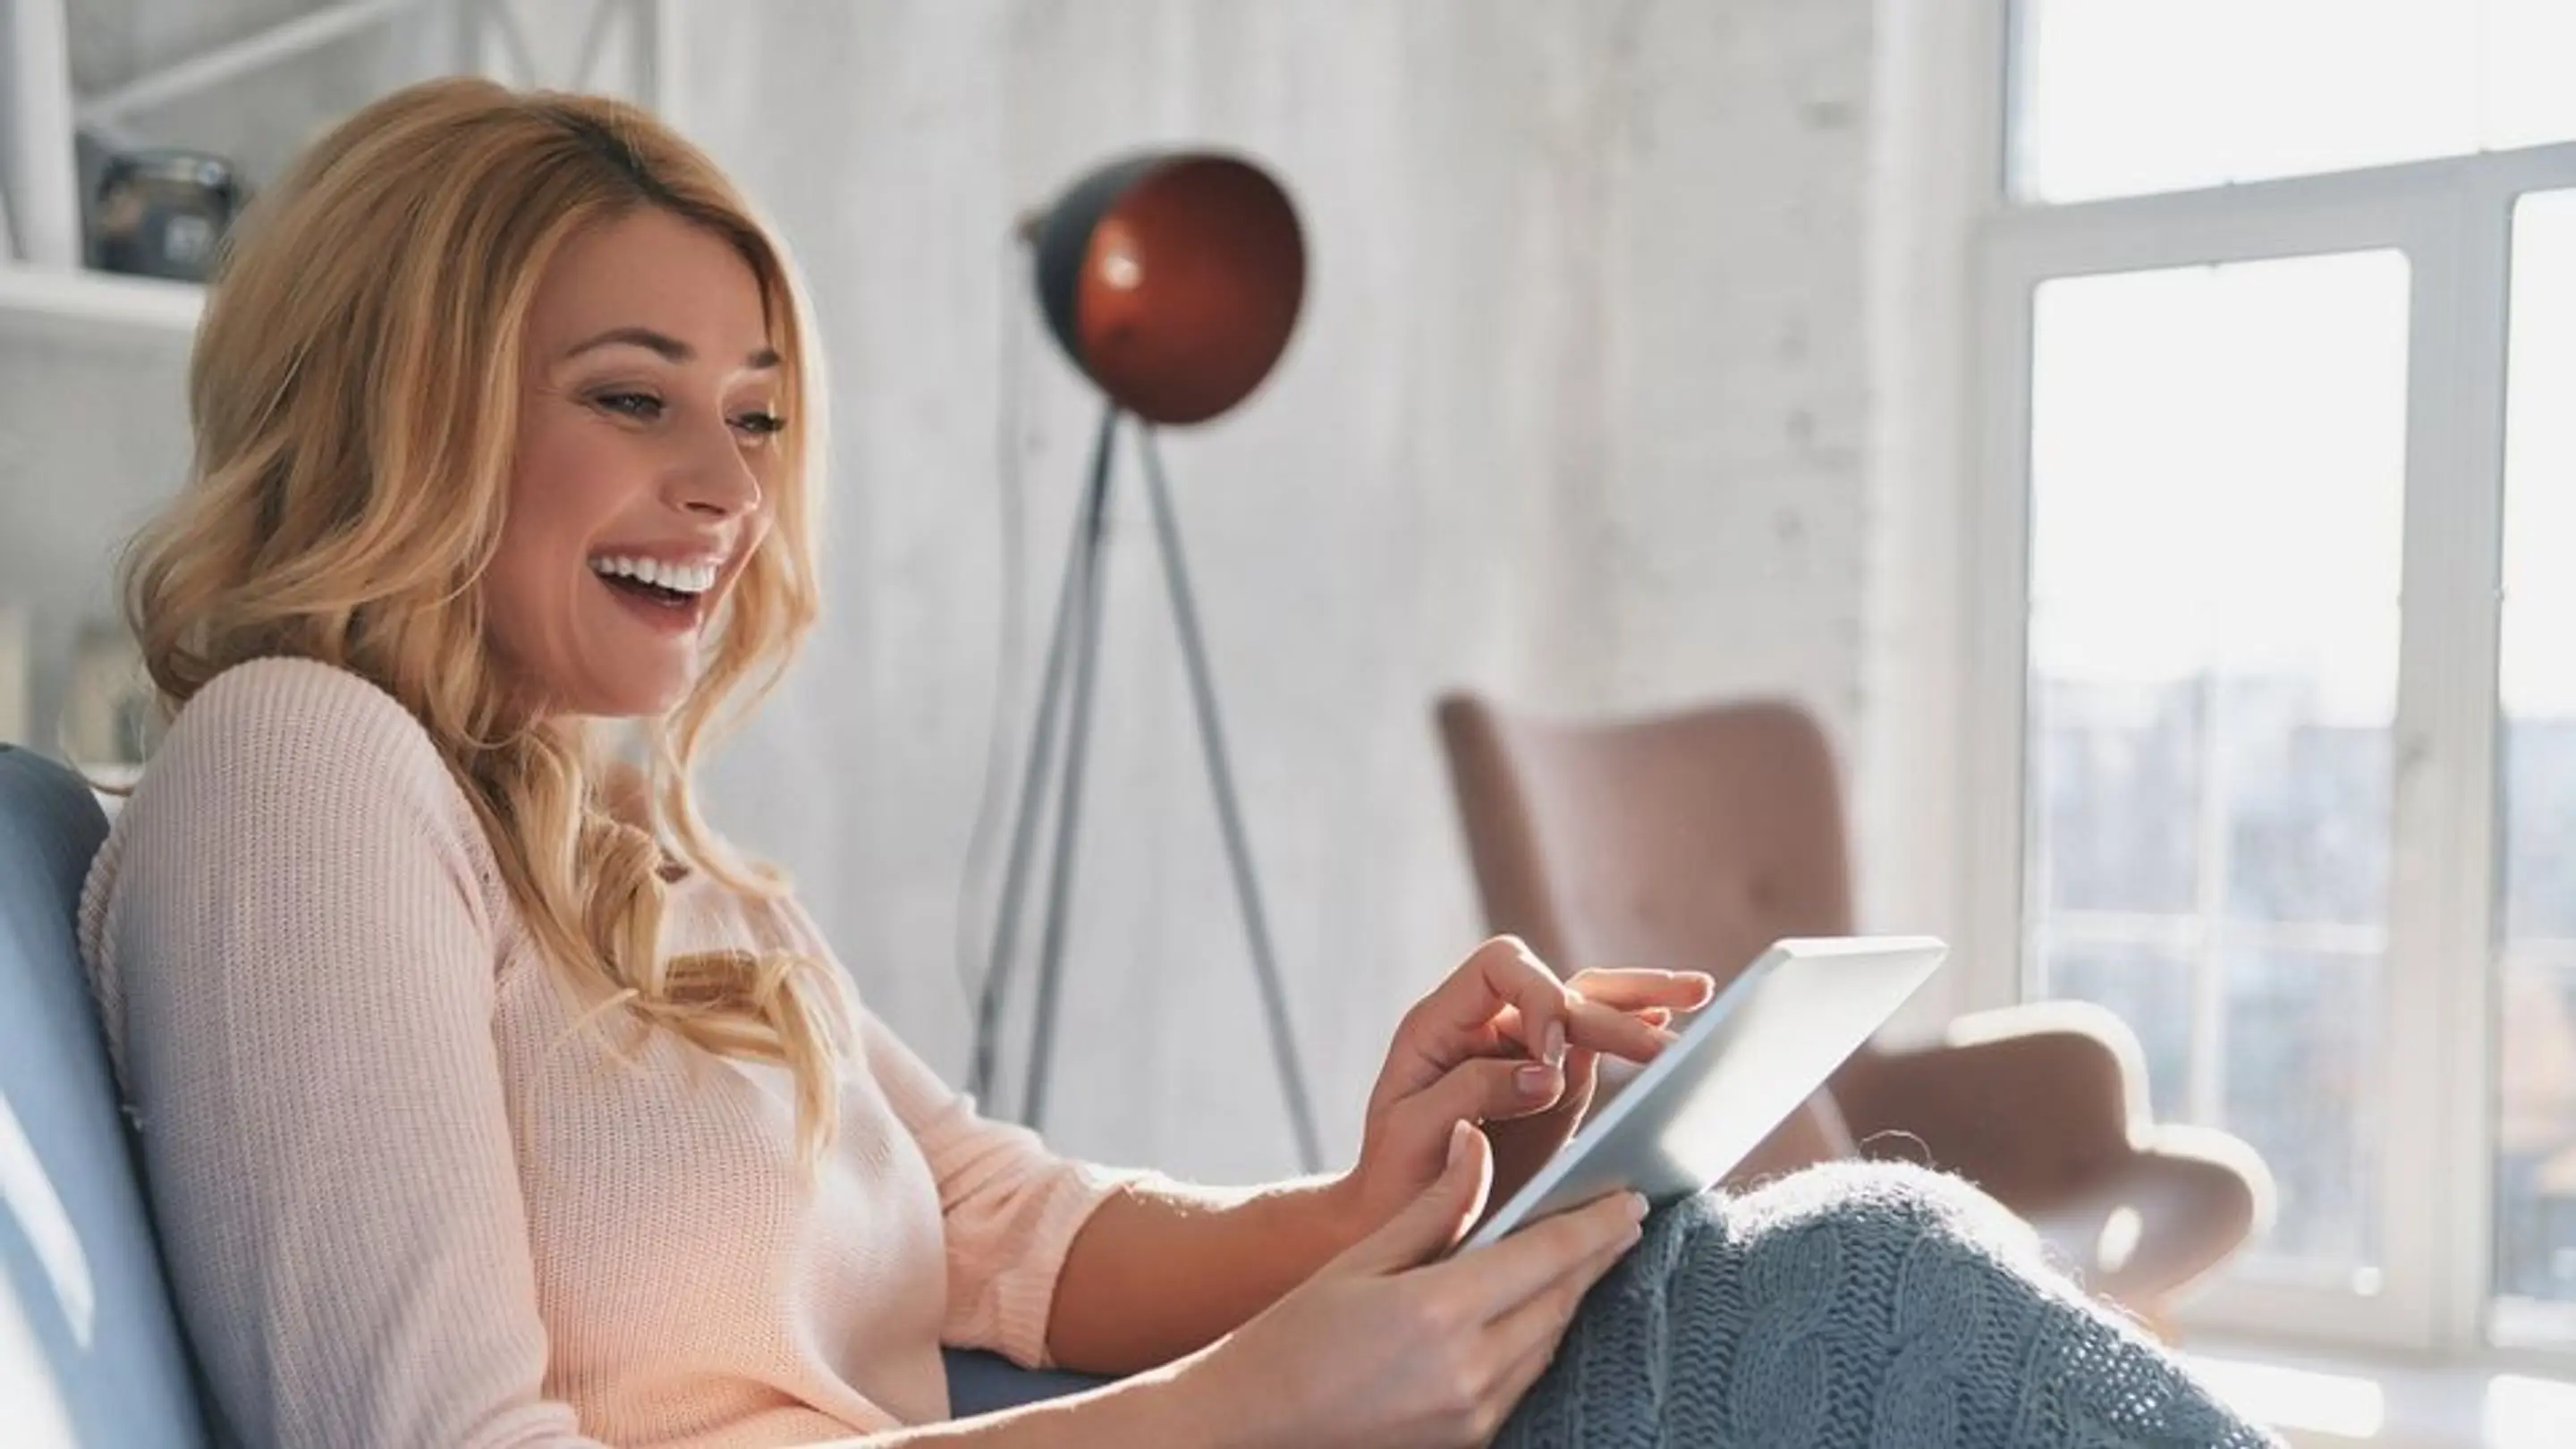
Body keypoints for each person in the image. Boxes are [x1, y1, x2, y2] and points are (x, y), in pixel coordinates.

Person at [80, 78, 2274, 1448]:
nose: (726, 484)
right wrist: (1236, 1420)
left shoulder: (643, 846)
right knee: (1871, 1288)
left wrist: (1390, 1199)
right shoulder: (301, 773)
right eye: (635, 395)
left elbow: (1006, 1233)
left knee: (1841, 1269)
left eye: (753, 413)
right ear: (405, 399)